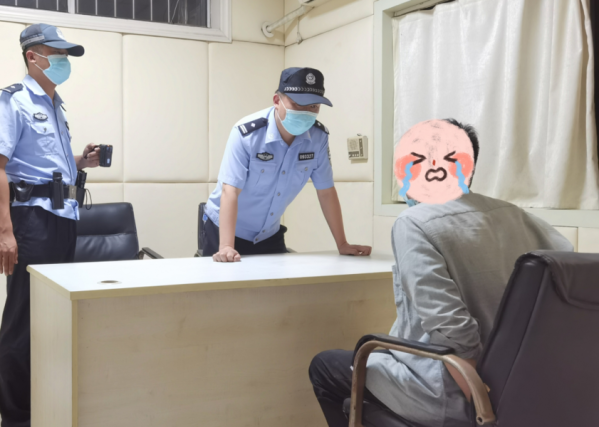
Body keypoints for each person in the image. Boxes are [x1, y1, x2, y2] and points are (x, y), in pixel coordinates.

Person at [308, 119, 574, 427]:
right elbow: (569, 284)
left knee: (325, 366)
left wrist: (485, 409)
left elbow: (453, 329)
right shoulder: (520, 217)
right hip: (530, 386)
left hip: (461, 388)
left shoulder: (415, 223)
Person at [0, 23, 101, 427]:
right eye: (58, 54)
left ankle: (46, 402)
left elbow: (46, 164)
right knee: (24, 320)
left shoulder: (55, 104)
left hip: (64, 218)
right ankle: (16, 418)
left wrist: (81, 160)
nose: (65, 61)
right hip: (32, 221)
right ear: (32, 57)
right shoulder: (12, 101)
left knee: (53, 318)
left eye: (66, 55)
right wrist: (4, 231)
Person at [202, 67, 371, 262]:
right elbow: (230, 191)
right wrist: (226, 246)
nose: (306, 112)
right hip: (224, 230)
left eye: (313, 106)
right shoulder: (247, 134)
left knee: (280, 282)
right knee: (225, 280)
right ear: (277, 101)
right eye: (298, 104)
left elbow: (326, 191)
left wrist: (342, 244)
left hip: (268, 233)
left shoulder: (318, 138)